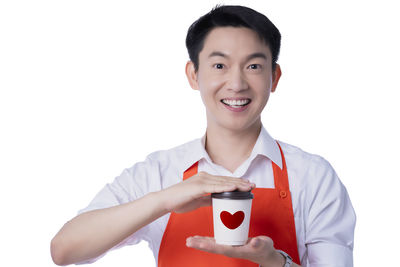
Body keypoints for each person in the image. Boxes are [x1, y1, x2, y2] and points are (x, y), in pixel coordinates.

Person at [50, 5, 356, 267]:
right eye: (219, 65)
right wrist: (163, 200)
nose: (236, 84)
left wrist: (276, 262)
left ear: (273, 77)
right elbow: (64, 250)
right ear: (193, 75)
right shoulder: (159, 173)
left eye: (253, 66)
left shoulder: (314, 177)